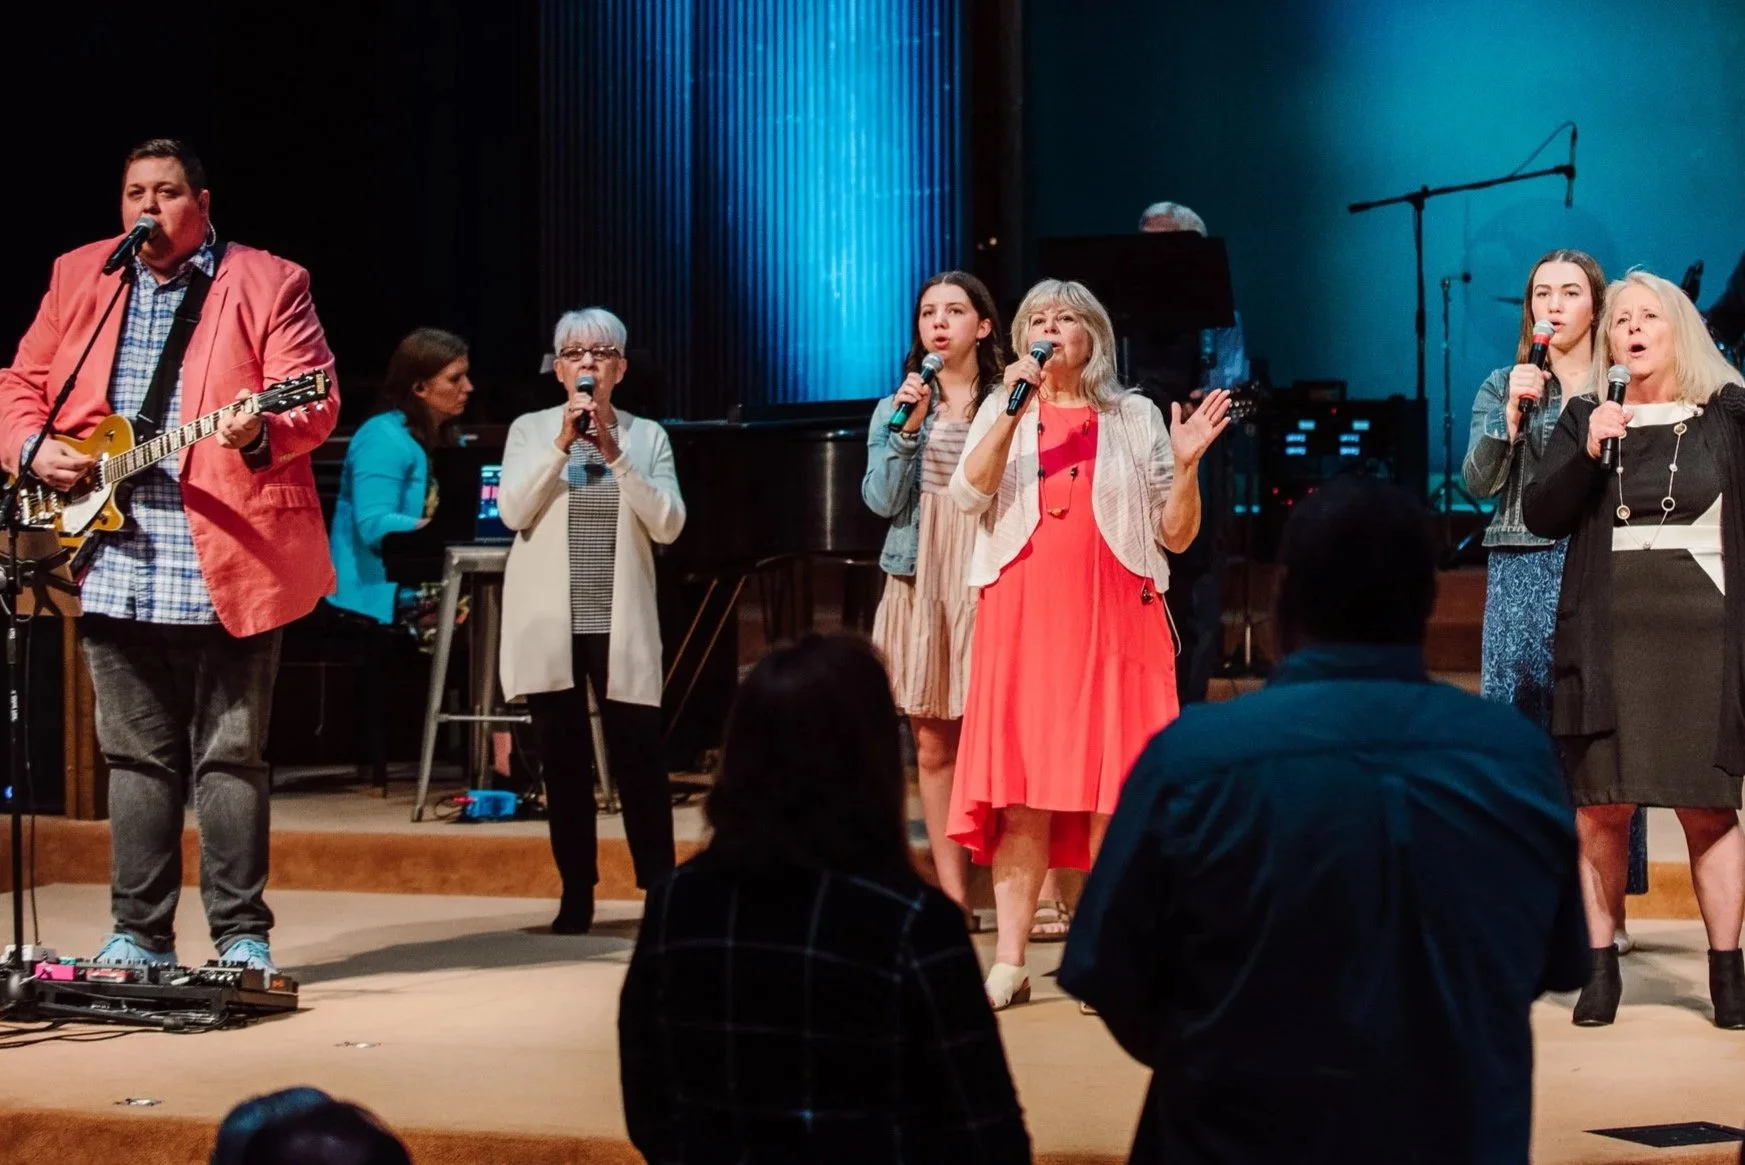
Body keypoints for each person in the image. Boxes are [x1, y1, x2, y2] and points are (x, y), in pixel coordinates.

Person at [1059, 476, 1589, 1164]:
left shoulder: (1189, 759)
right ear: (1427, 602)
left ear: (1283, 598)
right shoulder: (1512, 758)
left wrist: (1222, 1057)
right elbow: (1549, 961)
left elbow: (1112, 974)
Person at [0, 139, 338, 973]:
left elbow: (316, 395)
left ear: (203, 202)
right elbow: (22, 384)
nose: (146, 207)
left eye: (166, 192)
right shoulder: (81, 272)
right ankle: (138, 933)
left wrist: (262, 426)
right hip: (114, 551)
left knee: (229, 753)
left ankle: (240, 935)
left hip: (231, 551)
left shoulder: (269, 280)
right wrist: (33, 450)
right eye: (132, 192)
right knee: (133, 754)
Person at [618, 635, 1030, 1163]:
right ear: (873, 755)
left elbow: (647, 1099)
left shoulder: (680, 903)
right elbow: (988, 1132)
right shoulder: (913, 924)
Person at [947, 278, 1232, 1009]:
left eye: (1064, 317)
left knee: (1114, 793)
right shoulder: (999, 404)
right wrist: (1011, 415)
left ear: (1094, 337)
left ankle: (1107, 953)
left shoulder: (1133, 415)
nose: (1049, 327)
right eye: (1036, 318)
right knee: (1022, 794)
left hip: (1117, 618)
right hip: (1023, 614)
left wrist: (1189, 464)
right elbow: (967, 496)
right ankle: (1008, 961)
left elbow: (1175, 533)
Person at [1523, 270, 1745, 1029]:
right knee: (1599, 808)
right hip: (1608, 632)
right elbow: (1541, 512)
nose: (1634, 329)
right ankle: (1599, 972)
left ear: (1677, 328)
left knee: (1707, 807)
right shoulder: (1589, 414)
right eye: (1620, 320)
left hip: (1704, 634)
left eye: (1649, 316)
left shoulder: (1727, 413)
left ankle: (1726, 973)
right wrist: (1584, 450)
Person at [1461, 250, 1647, 953]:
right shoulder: (1505, 383)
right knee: (1520, 732)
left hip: (1597, 563)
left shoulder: (1620, 385)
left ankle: (1606, 910)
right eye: (1543, 292)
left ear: (1595, 306)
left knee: (1599, 735)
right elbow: (1477, 483)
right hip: (1518, 563)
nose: (1555, 304)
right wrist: (1509, 415)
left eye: (1570, 292)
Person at [497, 308, 684, 934]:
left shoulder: (647, 435)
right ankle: (576, 891)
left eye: (601, 352)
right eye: (574, 352)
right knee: (564, 761)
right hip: (551, 618)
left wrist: (615, 452)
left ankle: (659, 889)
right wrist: (560, 446)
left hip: (618, 617)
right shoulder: (529, 430)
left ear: (620, 369)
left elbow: (668, 524)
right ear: (557, 369)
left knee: (639, 759)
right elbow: (513, 511)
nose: (587, 363)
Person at [863, 270, 1006, 910]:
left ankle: (1015, 883)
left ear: (984, 325)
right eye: (927, 313)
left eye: (953, 311)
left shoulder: (1012, 400)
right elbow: (880, 499)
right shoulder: (897, 405)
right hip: (920, 575)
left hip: (988, 571)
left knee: (1000, 735)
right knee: (932, 741)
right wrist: (905, 431)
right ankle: (952, 896)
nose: (938, 323)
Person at [328, 327, 471, 625]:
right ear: (419, 388)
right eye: (455, 379)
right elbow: (373, 525)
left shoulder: (448, 439)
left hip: (424, 580)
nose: (468, 387)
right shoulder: (381, 437)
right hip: (375, 598)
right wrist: (440, 530)